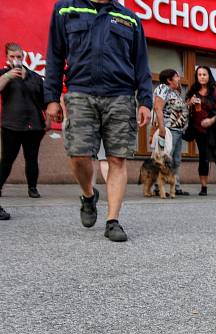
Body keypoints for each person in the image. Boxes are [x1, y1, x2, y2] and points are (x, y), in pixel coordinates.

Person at [45, 0, 152, 242]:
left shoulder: (130, 18)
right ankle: (89, 194)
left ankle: (112, 221)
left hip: (121, 95)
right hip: (80, 91)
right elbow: (54, 56)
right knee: (78, 155)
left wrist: (145, 100)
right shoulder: (66, 9)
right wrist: (51, 97)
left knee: (117, 158)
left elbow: (142, 64)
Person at [0, 43, 46, 206]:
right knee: (7, 159)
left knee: (32, 159)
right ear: (7, 57)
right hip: (11, 124)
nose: (16, 60)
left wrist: (48, 117)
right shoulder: (4, 74)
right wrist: (8, 76)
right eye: (12, 57)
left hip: (34, 125)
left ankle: (32, 188)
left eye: (18, 56)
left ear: (23, 56)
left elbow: (43, 100)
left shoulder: (34, 77)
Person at [187, 66, 216, 196]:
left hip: (215, 130)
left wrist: (210, 121)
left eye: (204, 74)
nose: (202, 77)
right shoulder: (193, 91)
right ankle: (203, 187)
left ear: (209, 76)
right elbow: (186, 109)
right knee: (203, 158)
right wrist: (190, 103)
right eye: (199, 74)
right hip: (199, 130)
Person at [153, 68, 190, 196]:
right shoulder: (163, 88)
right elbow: (158, 108)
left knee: (176, 160)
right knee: (165, 158)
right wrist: (162, 128)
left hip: (178, 131)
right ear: (169, 80)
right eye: (176, 76)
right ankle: (159, 187)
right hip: (169, 130)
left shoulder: (174, 92)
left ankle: (175, 186)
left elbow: (178, 110)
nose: (179, 79)